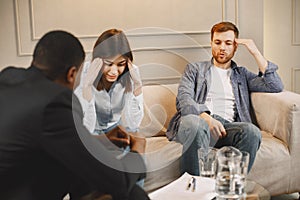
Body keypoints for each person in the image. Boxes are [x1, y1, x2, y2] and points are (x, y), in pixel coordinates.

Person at [0, 30, 149, 200]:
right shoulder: (55, 102)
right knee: (131, 193)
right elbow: (119, 182)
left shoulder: (8, 77)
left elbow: (48, 139)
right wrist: (138, 150)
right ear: (72, 74)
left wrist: (102, 140)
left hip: (17, 178)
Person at [166, 21, 284, 176]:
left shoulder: (241, 74)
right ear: (211, 43)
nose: (222, 48)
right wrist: (205, 117)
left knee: (252, 132)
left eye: (228, 43)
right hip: (197, 123)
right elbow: (184, 99)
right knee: (194, 123)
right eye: (218, 42)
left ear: (235, 47)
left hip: (226, 128)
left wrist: (255, 52)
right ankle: (194, 189)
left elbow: (274, 85)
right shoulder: (195, 69)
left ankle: (229, 187)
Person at [74, 29, 143, 136]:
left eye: (121, 64)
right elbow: (87, 128)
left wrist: (137, 86)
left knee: (134, 138)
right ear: (97, 60)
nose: (114, 72)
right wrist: (87, 86)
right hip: (93, 131)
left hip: (116, 128)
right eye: (108, 64)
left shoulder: (131, 73)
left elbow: (134, 125)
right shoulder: (85, 73)